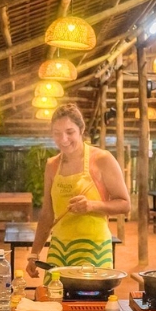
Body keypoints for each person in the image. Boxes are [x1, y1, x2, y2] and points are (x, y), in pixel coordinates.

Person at [26, 104, 130, 278]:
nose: (63, 139)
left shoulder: (102, 160)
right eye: (57, 133)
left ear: (81, 130)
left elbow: (125, 204)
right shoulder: (52, 165)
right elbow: (46, 214)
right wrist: (34, 254)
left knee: (90, 304)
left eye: (69, 132)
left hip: (94, 250)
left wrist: (92, 205)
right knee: (54, 303)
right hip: (59, 250)